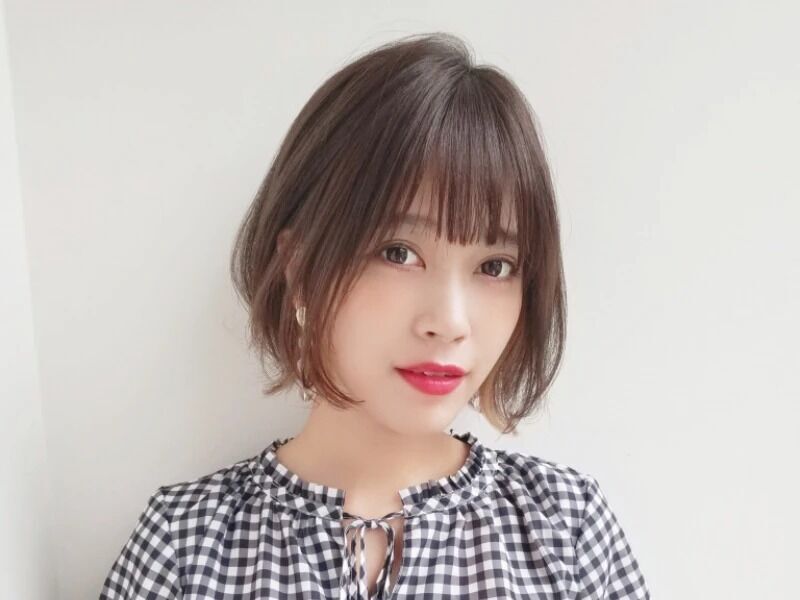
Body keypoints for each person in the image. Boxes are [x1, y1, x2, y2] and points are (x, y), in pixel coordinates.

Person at [99, 32, 650, 599]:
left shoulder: (568, 534)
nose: (450, 322)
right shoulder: (185, 547)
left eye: (495, 266)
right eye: (399, 253)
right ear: (298, 265)